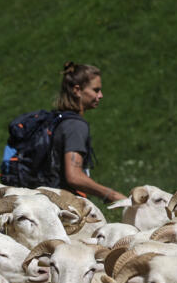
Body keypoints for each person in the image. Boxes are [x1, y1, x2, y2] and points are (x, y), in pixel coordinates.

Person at [50, 62, 125, 204]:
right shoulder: (75, 126)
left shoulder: (56, 119)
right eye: (96, 90)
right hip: (62, 205)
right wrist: (111, 195)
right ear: (77, 90)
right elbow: (74, 176)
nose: (101, 95)